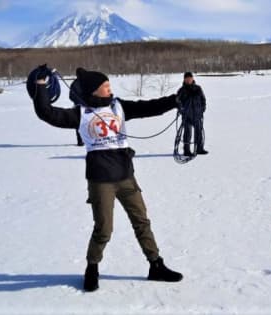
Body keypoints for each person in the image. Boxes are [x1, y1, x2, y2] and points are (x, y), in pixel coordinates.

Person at [32, 66, 183, 292]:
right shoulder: (80, 114)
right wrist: (41, 85)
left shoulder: (119, 107)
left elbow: (151, 107)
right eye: (106, 86)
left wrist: (177, 99)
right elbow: (46, 112)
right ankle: (92, 268)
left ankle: (156, 265)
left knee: (142, 222)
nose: (110, 89)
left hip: (126, 176)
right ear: (95, 91)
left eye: (109, 85)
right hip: (101, 180)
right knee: (104, 229)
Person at [176, 72, 207, 156]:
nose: (189, 79)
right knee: (187, 133)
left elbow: (203, 99)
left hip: (197, 115)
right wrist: (181, 110)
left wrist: (202, 109)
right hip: (187, 116)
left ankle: (199, 149)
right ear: (184, 79)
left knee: (199, 133)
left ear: (193, 78)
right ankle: (187, 151)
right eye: (187, 78)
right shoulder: (181, 90)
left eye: (190, 78)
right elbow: (177, 102)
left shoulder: (198, 88)